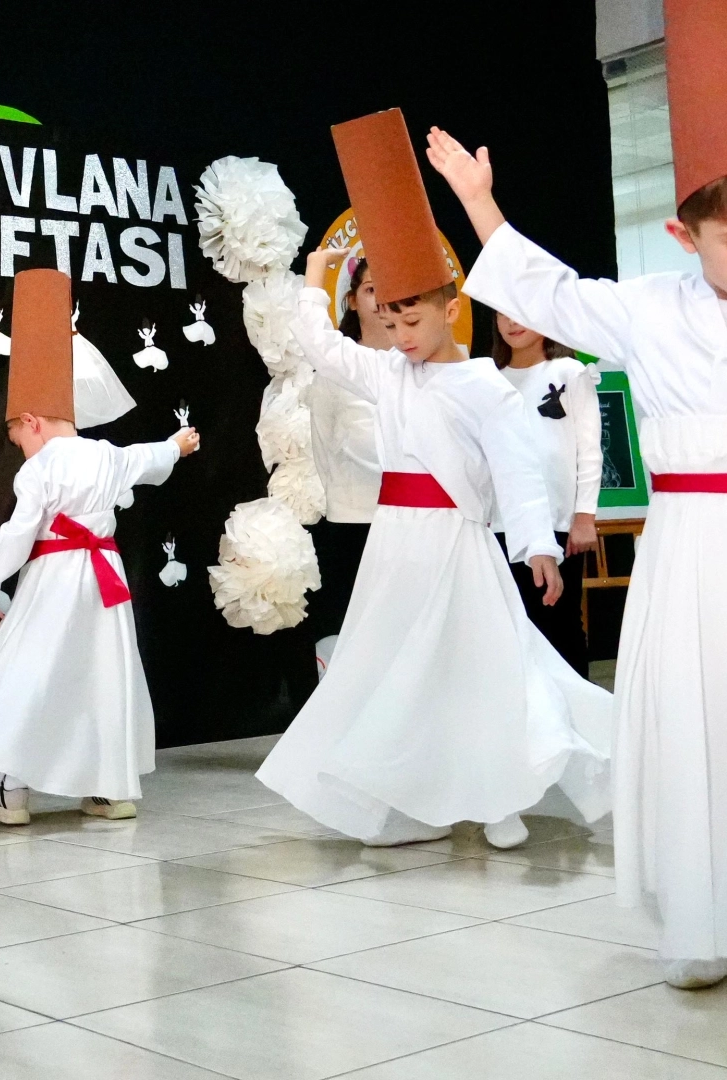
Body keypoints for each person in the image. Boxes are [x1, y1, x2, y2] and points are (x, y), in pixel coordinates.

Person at [426, 0, 727, 990]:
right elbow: (542, 292)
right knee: (702, 723)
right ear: (684, 232)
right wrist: (480, 207)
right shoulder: (646, 311)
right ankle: (706, 917)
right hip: (693, 552)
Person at [256, 108, 612, 852]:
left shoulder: (483, 385)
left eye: (413, 316)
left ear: (450, 308)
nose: (400, 332)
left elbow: (515, 466)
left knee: (479, 664)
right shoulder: (385, 372)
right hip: (394, 545)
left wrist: (535, 546)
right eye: (389, 317)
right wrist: (316, 279)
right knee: (394, 669)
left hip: (457, 543)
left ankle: (499, 796)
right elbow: (318, 346)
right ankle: (407, 800)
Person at [0, 267, 201, 826]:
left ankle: (13, 793)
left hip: (55, 580)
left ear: (31, 420)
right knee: (100, 673)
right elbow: (147, 458)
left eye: (19, 438)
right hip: (104, 583)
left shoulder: (40, 470)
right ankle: (108, 789)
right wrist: (177, 443)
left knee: (31, 671)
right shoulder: (104, 453)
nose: (21, 448)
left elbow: (18, 535)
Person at [489, 312, 600, 676]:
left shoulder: (569, 372)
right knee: (514, 627)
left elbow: (590, 447)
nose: (511, 322)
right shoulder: (491, 379)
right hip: (505, 523)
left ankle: (577, 718)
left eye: (521, 312)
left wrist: (584, 517)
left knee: (560, 621)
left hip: (558, 521)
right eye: (501, 313)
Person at [304, 254, 384, 678]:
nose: (382, 302)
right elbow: (322, 447)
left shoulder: (420, 366)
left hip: (409, 522)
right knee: (352, 638)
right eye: (371, 290)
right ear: (352, 300)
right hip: (352, 522)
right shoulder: (335, 372)